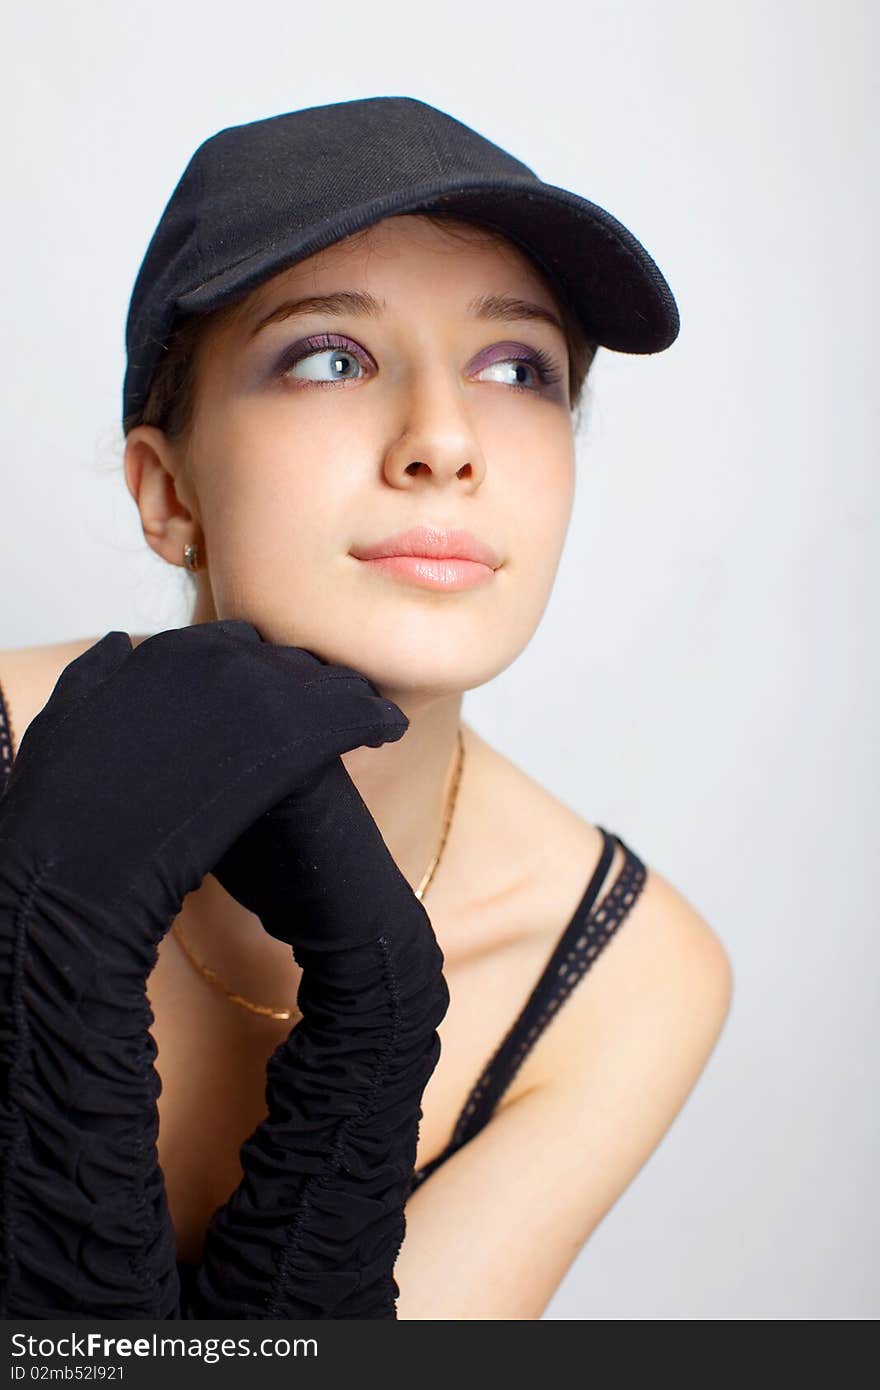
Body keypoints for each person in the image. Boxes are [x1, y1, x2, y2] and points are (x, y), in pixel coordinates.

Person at [0, 96, 733, 1320]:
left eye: (517, 367)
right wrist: (50, 944)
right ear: (168, 490)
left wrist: (381, 1021)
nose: (443, 441)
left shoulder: (624, 973)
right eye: (330, 355)